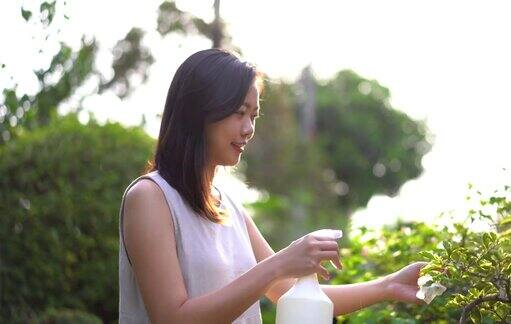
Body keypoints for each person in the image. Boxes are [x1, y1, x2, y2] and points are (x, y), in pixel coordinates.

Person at [118, 48, 426, 324]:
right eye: (239, 113)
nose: (249, 129)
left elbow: (289, 292)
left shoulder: (229, 208)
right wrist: (280, 263)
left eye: (253, 115)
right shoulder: (150, 197)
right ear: (199, 112)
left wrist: (388, 286)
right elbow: (172, 318)